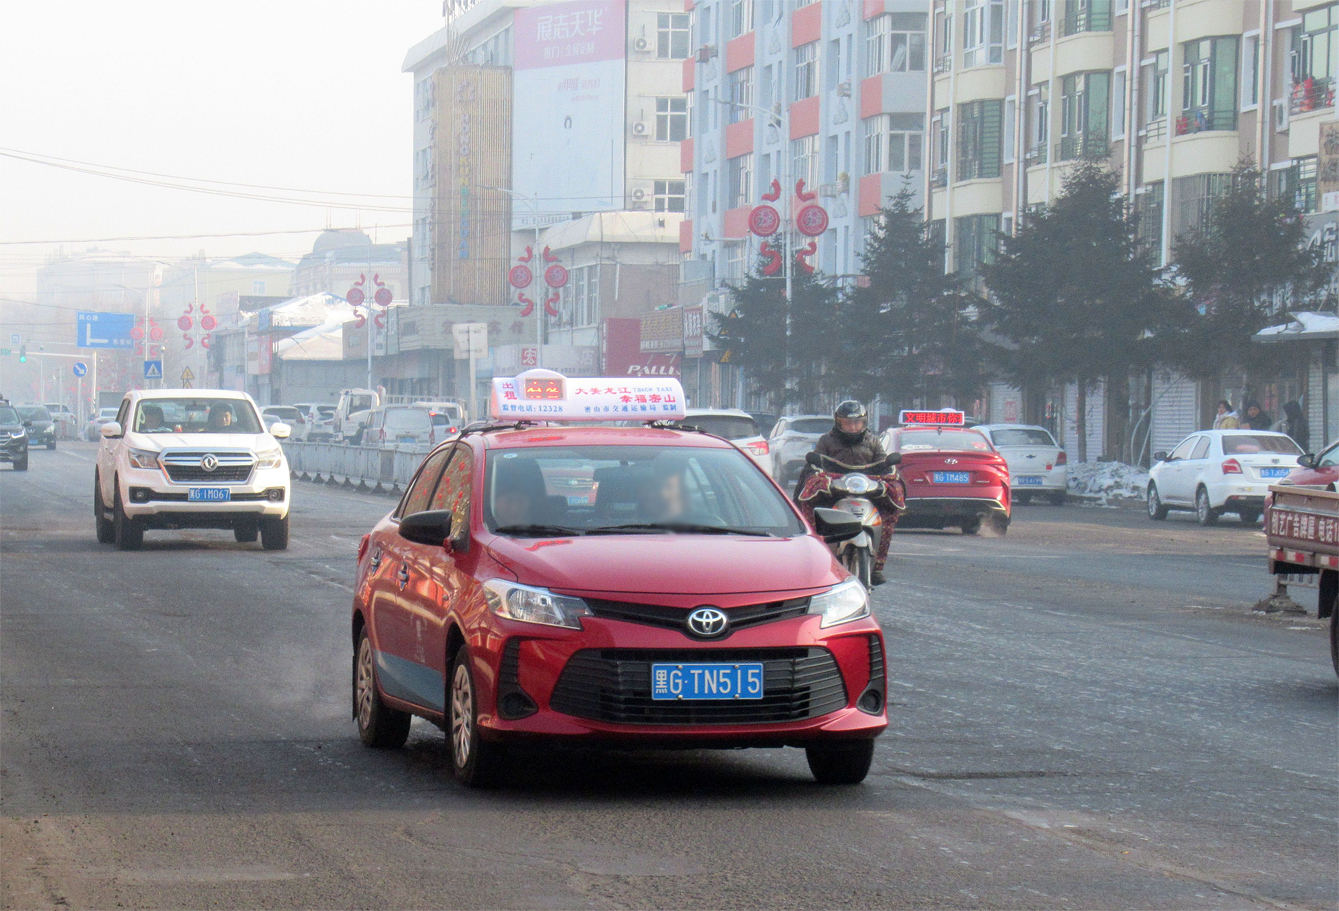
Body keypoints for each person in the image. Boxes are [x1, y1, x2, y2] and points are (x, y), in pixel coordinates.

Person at [795, 401, 903, 586]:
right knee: (809, 505)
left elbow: (883, 465)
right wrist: (821, 477)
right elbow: (816, 464)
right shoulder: (826, 441)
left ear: (864, 423)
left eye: (857, 423)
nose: (853, 427)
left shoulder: (873, 441)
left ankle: (876, 566)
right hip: (834, 491)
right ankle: (815, 556)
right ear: (838, 423)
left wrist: (885, 478)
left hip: (866, 490)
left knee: (891, 508)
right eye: (848, 423)